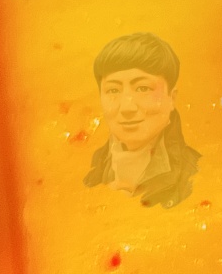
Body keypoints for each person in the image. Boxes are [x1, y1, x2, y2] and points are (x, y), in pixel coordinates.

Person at [84, 31, 200, 208]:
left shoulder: (197, 175)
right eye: (113, 90)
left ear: (172, 98)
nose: (127, 107)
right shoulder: (89, 172)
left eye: (143, 88)